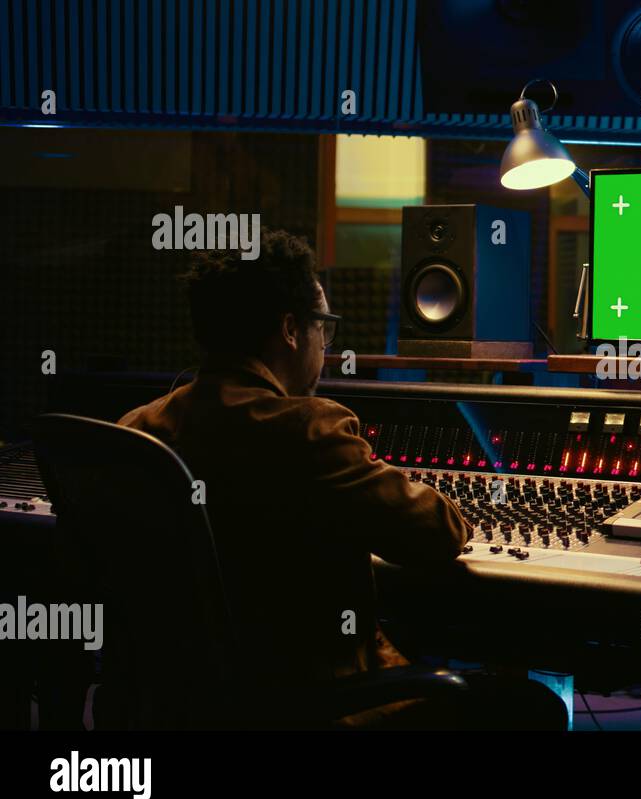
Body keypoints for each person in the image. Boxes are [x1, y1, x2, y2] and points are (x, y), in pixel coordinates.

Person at [119, 230, 562, 728]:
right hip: (312, 707)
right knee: (535, 708)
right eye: (322, 328)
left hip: (176, 709)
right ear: (291, 329)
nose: (325, 348)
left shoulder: (134, 432)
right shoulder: (307, 429)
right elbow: (436, 533)